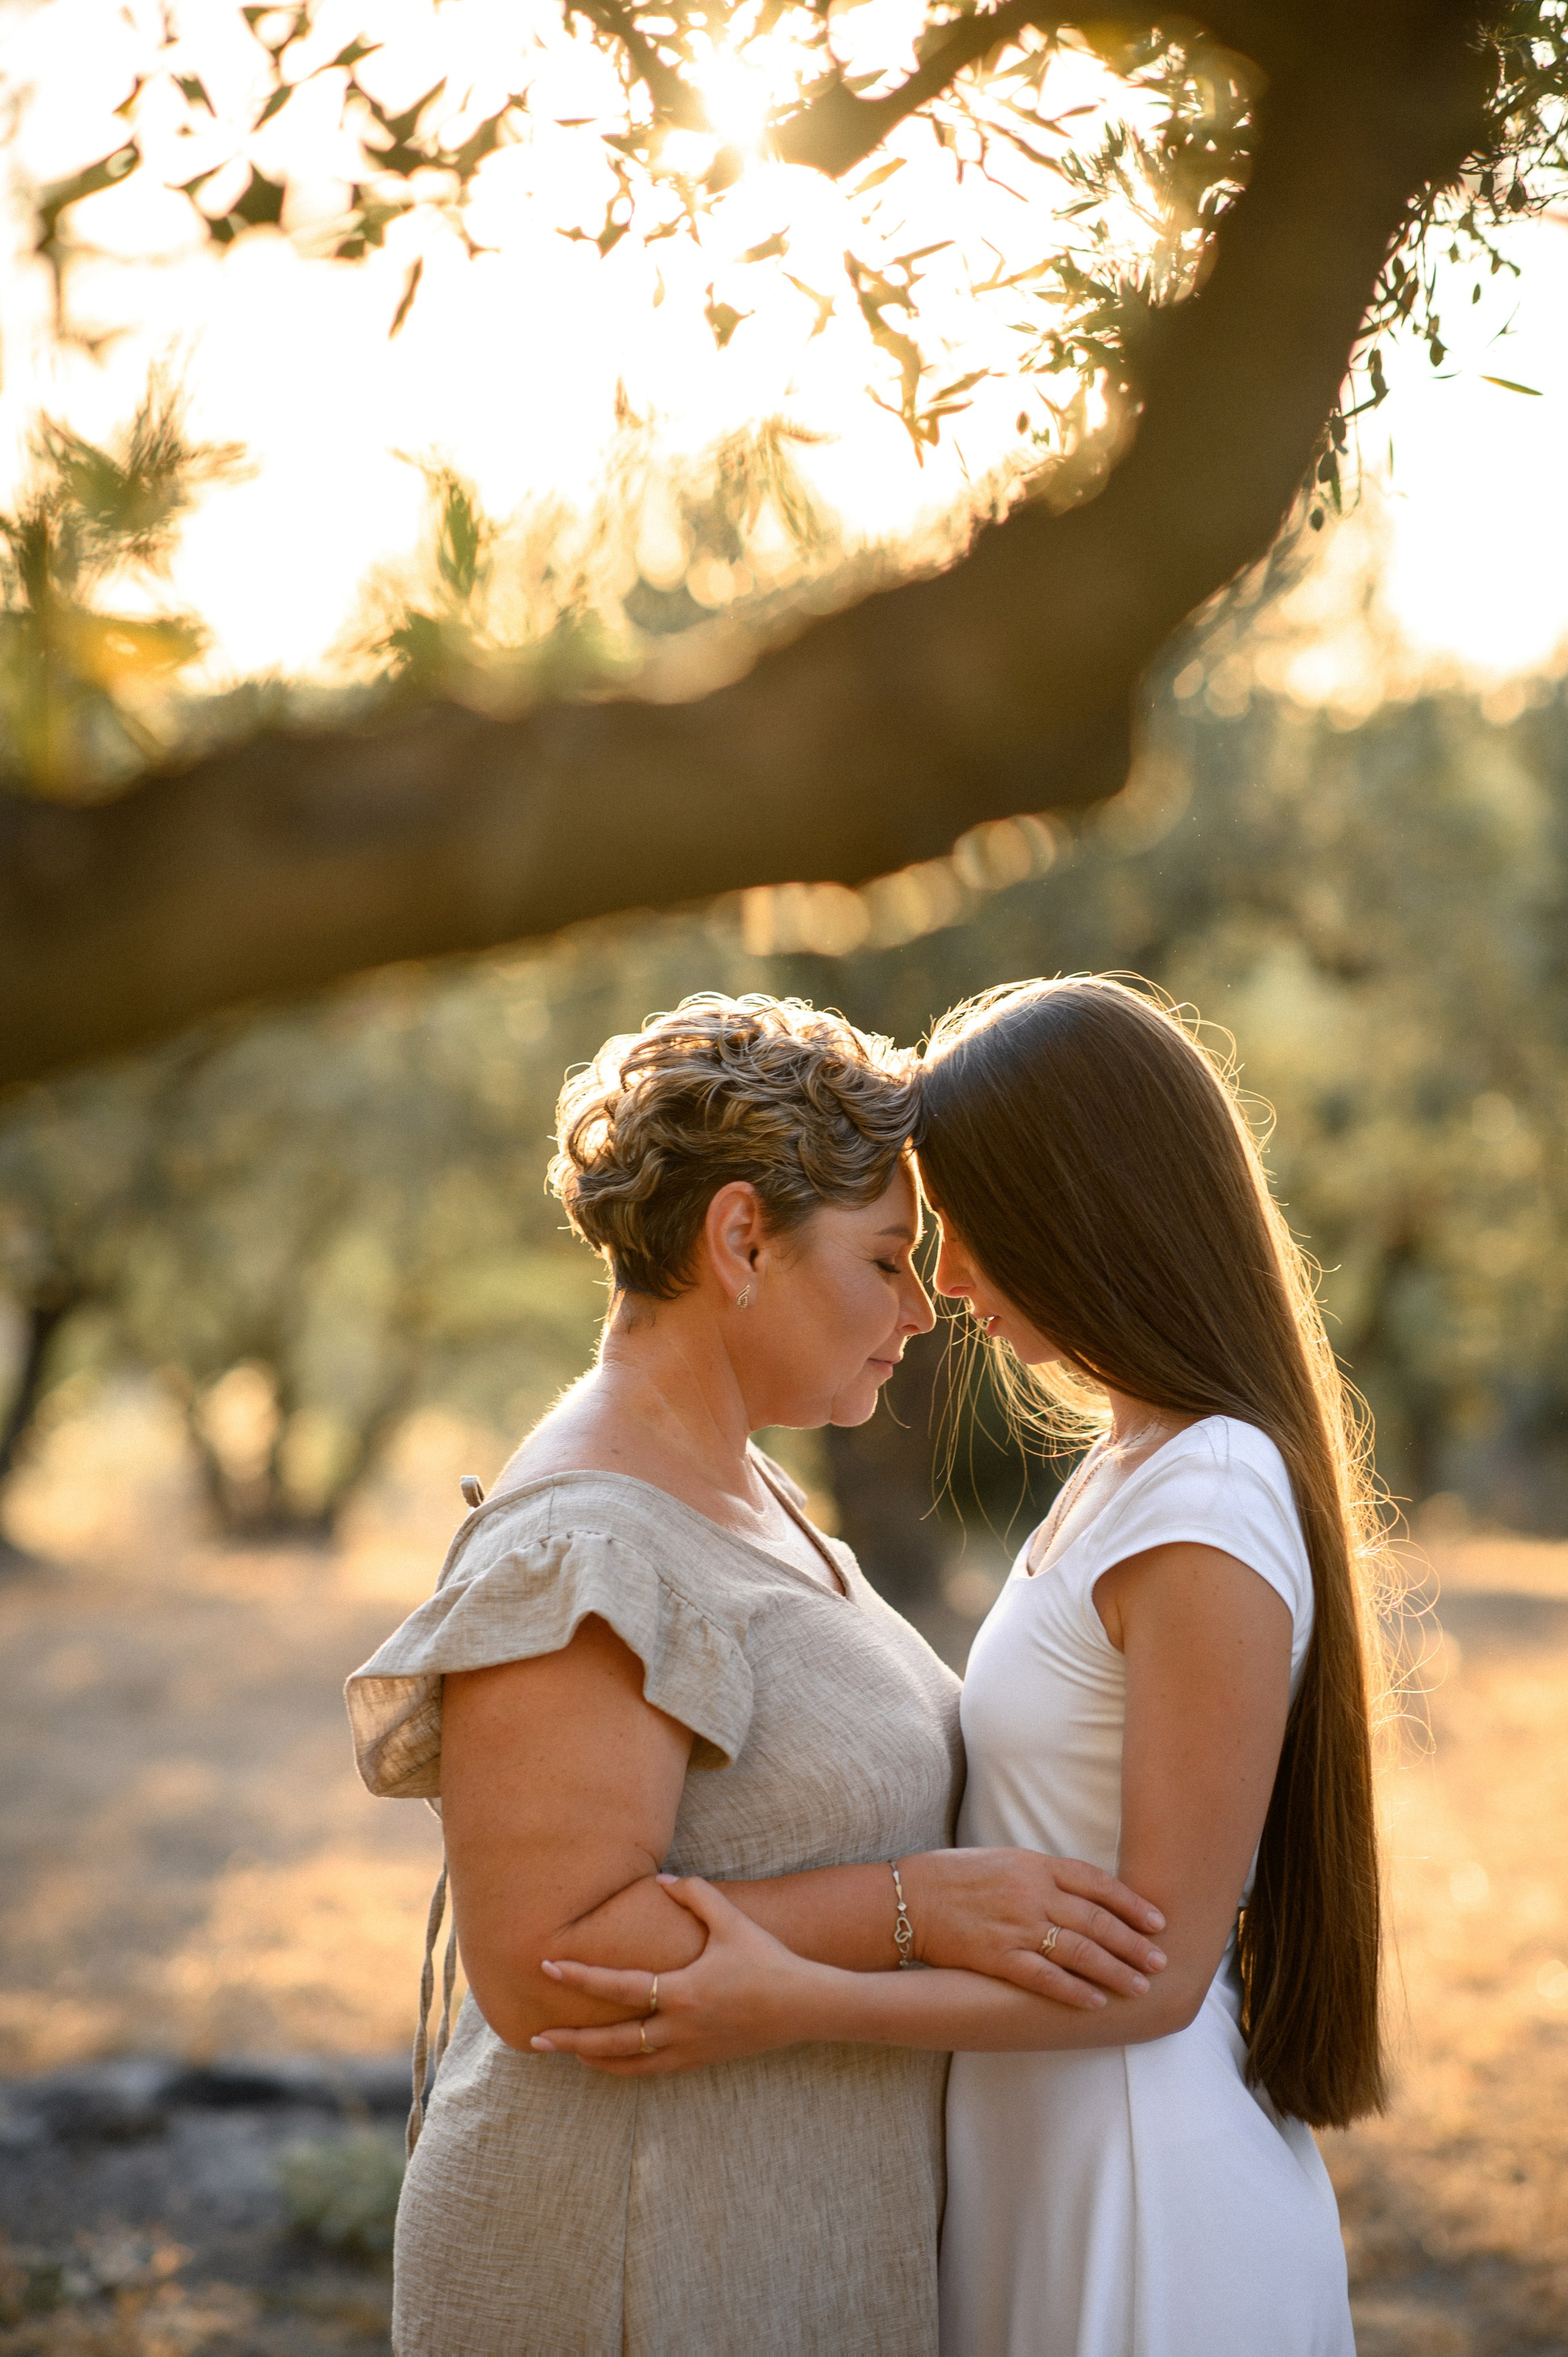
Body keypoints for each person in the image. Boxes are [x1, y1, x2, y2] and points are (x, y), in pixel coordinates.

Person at [538, 976, 1385, 2357]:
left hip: (1134, 2184)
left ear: (1079, 1206)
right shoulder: (1131, 1467)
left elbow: (1152, 1980)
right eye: (910, 1246)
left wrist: (791, 1999)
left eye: (965, 1228)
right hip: (1039, 2146)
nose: (945, 1284)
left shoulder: (1209, 1491)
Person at [345, 993, 1166, 2357]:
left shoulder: (743, 1485)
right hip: (624, 2262)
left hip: (761, 2240)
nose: (921, 1309)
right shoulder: (586, 1543)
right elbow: (553, 1960)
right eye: (886, 1258)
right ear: (740, 1239)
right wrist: (913, 1909)